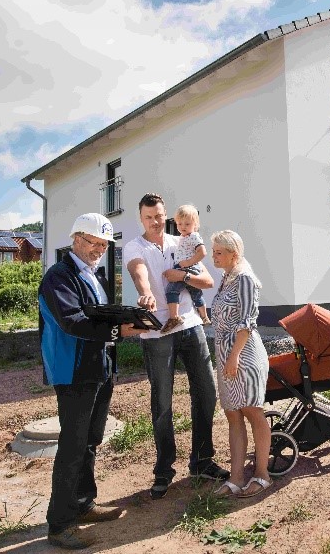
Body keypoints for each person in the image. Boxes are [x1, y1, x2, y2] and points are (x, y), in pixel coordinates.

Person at [39, 213, 142, 550]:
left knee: (89, 441)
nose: (98, 248)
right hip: (74, 372)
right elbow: (72, 322)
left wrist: (125, 320)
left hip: (98, 367)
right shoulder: (59, 277)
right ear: (75, 239)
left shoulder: (92, 275)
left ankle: (83, 504)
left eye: (103, 244)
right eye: (93, 242)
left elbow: (98, 316)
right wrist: (118, 330)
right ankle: (60, 524)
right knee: (72, 445)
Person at [123, 193, 229, 500]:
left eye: (158, 216)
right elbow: (139, 271)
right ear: (140, 219)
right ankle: (164, 469)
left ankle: (202, 461)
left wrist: (181, 274)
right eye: (148, 217)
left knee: (207, 392)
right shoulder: (134, 246)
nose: (155, 222)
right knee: (163, 402)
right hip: (157, 332)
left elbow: (207, 280)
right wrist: (145, 292)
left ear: (165, 215)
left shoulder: (180, 240)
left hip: (190, 326)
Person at [208, 230, 272, 498]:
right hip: (226, 354)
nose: (214, 257)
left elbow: (246, 321)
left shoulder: (244, 278)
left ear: (234, 254)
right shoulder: (226, 278)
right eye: (213, 252)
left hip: (243, 353)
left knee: (251, 411)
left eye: (219, 253)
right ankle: (235, 478)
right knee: (232, 413)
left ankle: (262, 474)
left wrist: (233, 356)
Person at [160, 204, 211, 333]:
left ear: (195, 224)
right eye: (180, 224)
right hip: (188, 267)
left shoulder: (194, 236)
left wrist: (188, 262)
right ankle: (204, 317)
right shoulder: (183, 237)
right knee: (196, 294)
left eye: (187, 224)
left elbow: (202, 252)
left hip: (187, 268)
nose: (183, 227)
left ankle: (174, 318)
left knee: (172, 291)